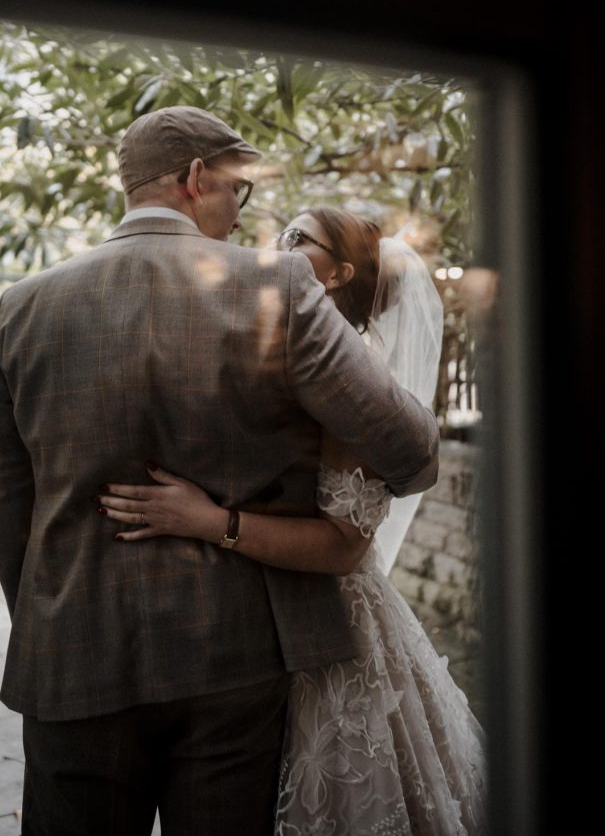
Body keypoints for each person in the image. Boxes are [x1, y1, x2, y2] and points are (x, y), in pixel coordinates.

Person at [0, 109, 440, 836]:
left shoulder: (19, 307)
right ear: (196, 179)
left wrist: (51, 616)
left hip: (72, 658)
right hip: (235, 658)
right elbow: (412, 454)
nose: (239, 213)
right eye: (238, 191)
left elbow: (7, 506)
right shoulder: (279, 286)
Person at [98, 207, 487, 836]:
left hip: (324, 635)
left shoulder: (351, 374)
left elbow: (344, 548)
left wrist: (210, 521)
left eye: (300, 239)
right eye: (283, 233)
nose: (278, 246)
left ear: (338, 275)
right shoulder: (266, 343)